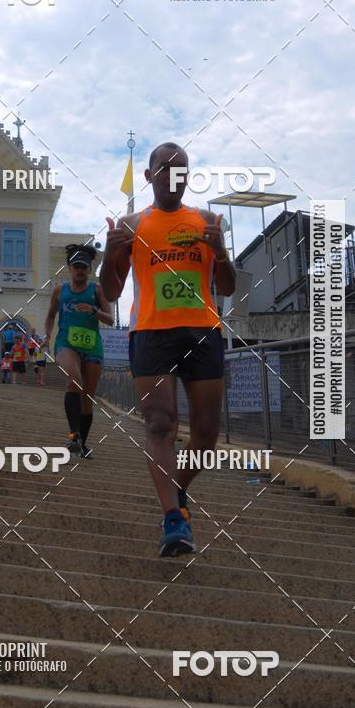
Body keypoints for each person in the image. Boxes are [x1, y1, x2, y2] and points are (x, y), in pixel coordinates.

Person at [100, 143, 236, 557]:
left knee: (207, 432)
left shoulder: (208, 221)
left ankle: (176, 490)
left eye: (181, 170)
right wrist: (110, 252)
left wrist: (221, 252)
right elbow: (110, 292)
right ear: (149, 176)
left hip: (202, 331)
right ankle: (173, 518)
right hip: (152, 333)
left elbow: (227, 286)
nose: (173, 176)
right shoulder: (132, 225)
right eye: (165, 169)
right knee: (160, 424)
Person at [44, 244, 113, 457]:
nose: (80, 270)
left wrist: (93, 310)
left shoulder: (97, 290)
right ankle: (74, 435)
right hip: (67, 343)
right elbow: (50, 315)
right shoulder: (60, 290)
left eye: (84, 267)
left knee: (87, 399)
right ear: (69, 268)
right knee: (73, 381)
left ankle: (82, 444)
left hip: (92, 346)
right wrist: (47, 336)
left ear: (90, 269)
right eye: (76, 266)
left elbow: (110, 319)